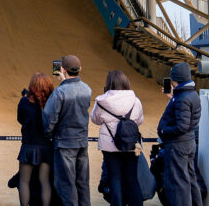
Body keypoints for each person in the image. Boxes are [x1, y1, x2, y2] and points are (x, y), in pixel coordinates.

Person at [43, 55, 92, 206]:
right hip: (82, 142)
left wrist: (50, 134)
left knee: (66, 184)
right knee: (82, 183)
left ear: (62, 69)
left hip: (64, 143)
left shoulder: (60, 92)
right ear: (80, 69)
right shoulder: (87, 89)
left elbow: (49, 118)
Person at [89, 70, 144, 206]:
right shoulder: (135, 100)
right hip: (131, 144)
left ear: (109, 84)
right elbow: (139, 120)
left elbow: (95, 119)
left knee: (115, 179)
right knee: (132, 179)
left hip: (110, 145)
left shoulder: (102, 101)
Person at [157, 62, 202, 206]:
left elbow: (182, 125)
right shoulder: (190, 94)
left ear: (176, 79)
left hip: (178, 145)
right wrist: (173, 97)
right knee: (190, 179)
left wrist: (164, 131)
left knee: (179, 184)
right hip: (188, 142)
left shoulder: (182, 98)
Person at [17, 73, 54, 206]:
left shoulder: (24, 102)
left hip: (28, 146)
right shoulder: (52, 102)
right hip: (46, 147)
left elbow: (20, 119)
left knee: (24, 181)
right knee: (45, 181)